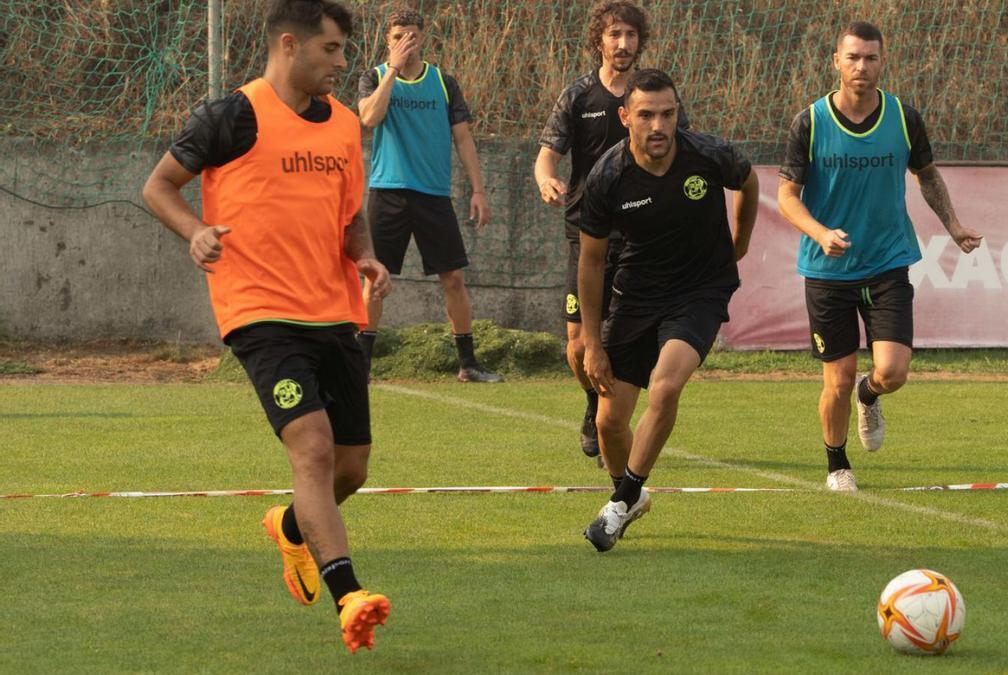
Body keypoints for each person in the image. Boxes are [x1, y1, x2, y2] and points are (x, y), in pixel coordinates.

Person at [141, 0, 391, 653]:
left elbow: (349, 214)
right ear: (290, 45)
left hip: (335, 310)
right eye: (332, 50)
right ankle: (349, 594)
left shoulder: (342, 126)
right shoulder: (232, 115)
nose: (343, 63)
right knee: (310, 445)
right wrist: (195, 231)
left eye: (343, 50)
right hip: (258, 310)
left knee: (351, 465)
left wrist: (363, 253)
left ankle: (290, 524)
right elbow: (160, 186)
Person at [776, 21, 983, 492]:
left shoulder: (903, 118)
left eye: (870, 58)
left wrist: (952, 227)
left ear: (882, 62)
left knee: (892, 371)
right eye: (852, 58)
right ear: (836, 62)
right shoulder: (810, 122)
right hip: (827, 271)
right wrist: (820, 232)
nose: (861, 67)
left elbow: (927, 175)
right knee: (838, 378)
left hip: (888, 263)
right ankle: (837, 465)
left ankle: (871, 396)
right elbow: (787, 195)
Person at [577, 69, 758, 552]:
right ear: (625, 118)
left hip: (700, 289)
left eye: (667, 114)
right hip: (635, 296)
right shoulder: (607, 176)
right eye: (646, 115)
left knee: (666, 384)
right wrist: (592, 343)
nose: (658, 125)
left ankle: (620, 503)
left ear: (678, 113)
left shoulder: (708, 155)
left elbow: (749, 179)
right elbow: (591, 261)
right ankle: (628, 494)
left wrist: (738, 243)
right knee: (609, 423)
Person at [535, 1, 689, 463]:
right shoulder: (578, 95)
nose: (623, 44)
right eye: (614, 35)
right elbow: (548, 152)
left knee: (627, 339)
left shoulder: (653, 96)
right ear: (599, 40)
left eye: (630, 36)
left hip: (641, 238)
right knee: (579, 345)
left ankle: (612, 421)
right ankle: (592, 404)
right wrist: (546, 177)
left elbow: (686, 153)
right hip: (586, 235)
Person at [356, 7, 501, 383]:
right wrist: (391, 69)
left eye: (412, 36)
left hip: (433, 194)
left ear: (423, 37)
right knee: (374, 277)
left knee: (453, 278)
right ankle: (360, 365)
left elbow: (464, 138)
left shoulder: (443, 82)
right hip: (388, 192)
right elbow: (369, 119)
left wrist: (478, 190)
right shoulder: (373, 77)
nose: (406, 43)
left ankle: (468, 363)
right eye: (398, 37)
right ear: (388, 42)